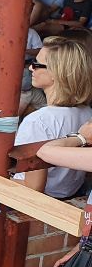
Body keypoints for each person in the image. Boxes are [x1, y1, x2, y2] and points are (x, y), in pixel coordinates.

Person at [14, 37, 92, 199]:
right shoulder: (87, 112)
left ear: (57, 73)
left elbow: (33, 188)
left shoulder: (37, 121)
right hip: (70, 194)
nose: (30, 68)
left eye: (36, 64)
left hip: (42, 203)